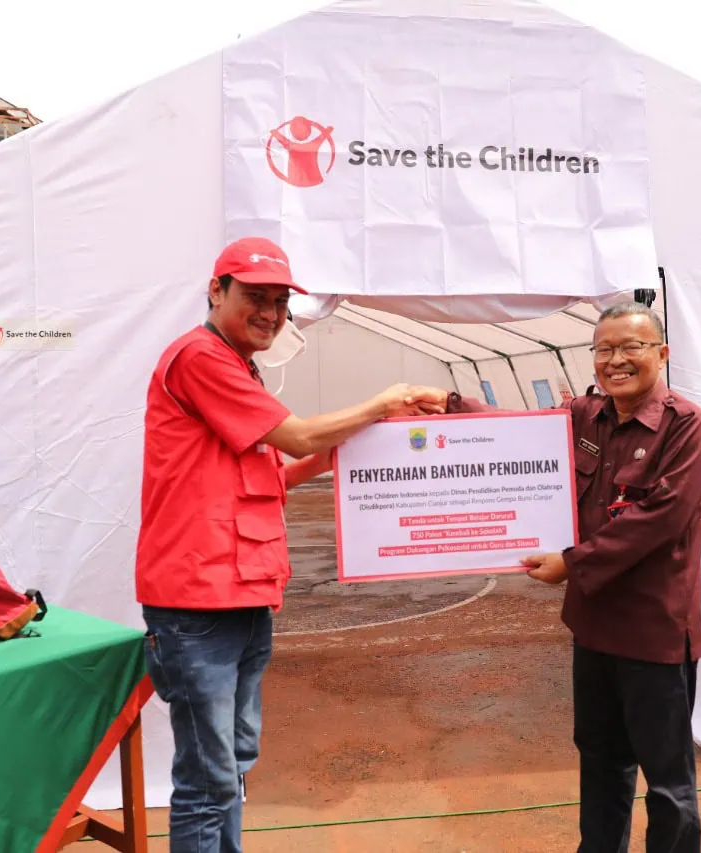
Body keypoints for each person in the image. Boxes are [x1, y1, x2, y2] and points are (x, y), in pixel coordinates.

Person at [134, 236, 445, 853]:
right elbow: (298, 437)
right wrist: (380, 403)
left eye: (280, 302)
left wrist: (370, 435)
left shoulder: (234, 365)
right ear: (216, 291)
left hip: (241, 592)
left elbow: (277, 470)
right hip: (198, 600)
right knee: (209, 776)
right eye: (256, 297)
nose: (271, 313)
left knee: (232, 761)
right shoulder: (201, 358)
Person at [424, 302, 701, 853]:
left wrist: (571, 563)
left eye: (631, 347)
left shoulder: (687, 427)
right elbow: (519, 432)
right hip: (594, 625)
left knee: (667, 779)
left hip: (653, 632)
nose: (616, 360)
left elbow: (660, 518)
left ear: (661, 354)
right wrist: (450, 404)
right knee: (601, 761)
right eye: (604, 349)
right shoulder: (585, 415)